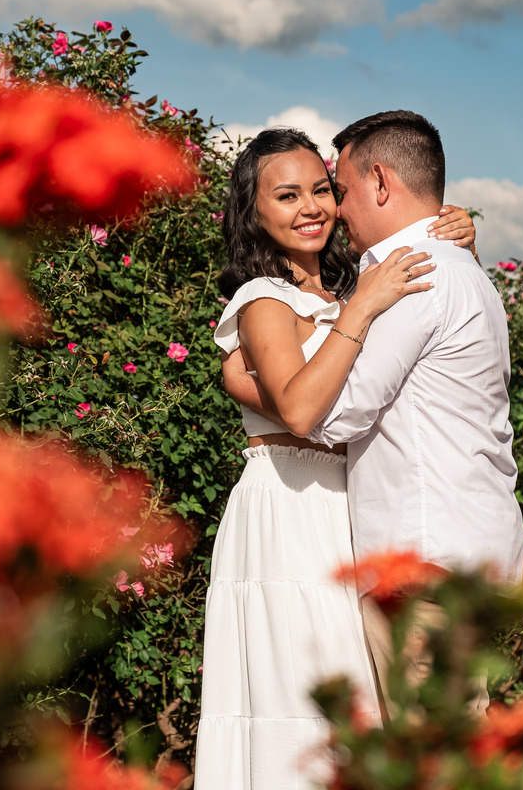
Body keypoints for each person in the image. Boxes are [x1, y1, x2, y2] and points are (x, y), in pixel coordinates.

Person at [195, 126, 477, 789]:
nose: (311, 208)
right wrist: (367, 306)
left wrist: (458, 234)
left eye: (321, 189)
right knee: (297, 694)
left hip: (350, 505)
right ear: (254, 214)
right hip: (288, 512)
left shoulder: (349, 288)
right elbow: (299, 408)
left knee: (362, 694)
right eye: (286, 195)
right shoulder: (264, 302)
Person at [226, 110, 523, 720]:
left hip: (411, 548)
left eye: (331, 188)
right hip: (327, 523)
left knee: (427, 743)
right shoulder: (433, 275)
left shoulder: (406, 279)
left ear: (380, 183)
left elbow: (327, 417)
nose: (324, 205)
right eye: (290, 195)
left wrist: (257, 388)